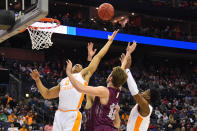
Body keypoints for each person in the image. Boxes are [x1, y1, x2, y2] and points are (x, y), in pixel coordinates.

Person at [30, 30, 119, 131]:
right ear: (71, 70)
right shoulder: (63, 81)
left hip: (72, 115)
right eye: (76, 64)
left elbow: (98, 57)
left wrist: (110, 41)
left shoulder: (83, 75)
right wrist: (37, 80)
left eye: (80, 66)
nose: (77, 65)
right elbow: (47, 94)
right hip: (59, 114)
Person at [65, 42, 137, 131]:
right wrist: (128, 53)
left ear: (110, 78)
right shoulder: (118, 89)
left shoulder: (104, 91)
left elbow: (81, 87)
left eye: (110, 74)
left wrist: (68, 73)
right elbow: (121, 71)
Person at [123, 43, 161, 131]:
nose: (143, 92)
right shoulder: (143, 105)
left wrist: (127, 70)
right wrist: (128, 53)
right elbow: (127, 70)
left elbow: (134, 91)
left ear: (148, 97)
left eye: (146, 91)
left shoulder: (146, 108)